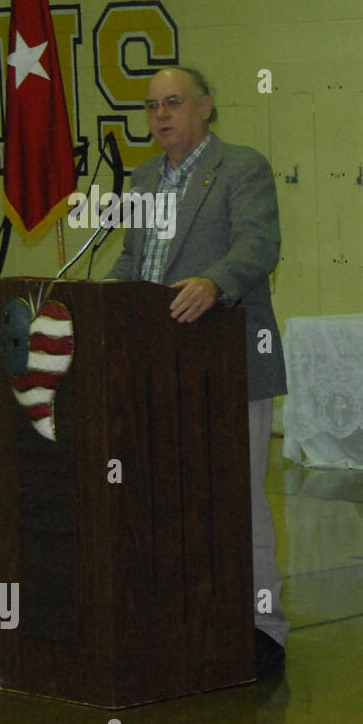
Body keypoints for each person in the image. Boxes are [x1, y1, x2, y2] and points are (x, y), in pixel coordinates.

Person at [107, 66, 288, 675]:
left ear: (206, 107)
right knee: (168, 498)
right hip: (159, 371)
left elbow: (259, 245)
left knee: (239, 498)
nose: (161, 115)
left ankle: (264, 629)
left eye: (174, 102)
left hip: (230, 360)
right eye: (152, 105)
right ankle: (183, 618)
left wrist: (216, 282)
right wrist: (92, 304)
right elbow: (133, 262)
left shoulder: (242, 168)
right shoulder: (142, 178)